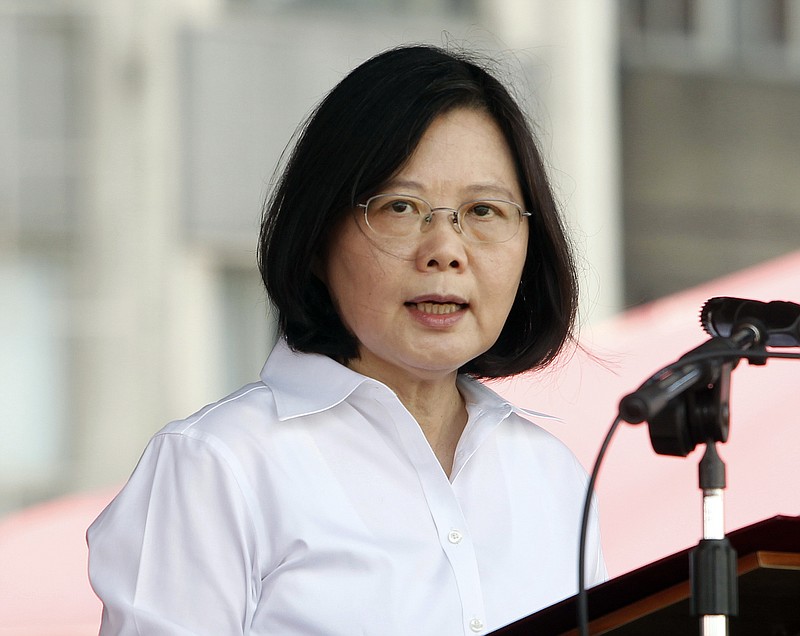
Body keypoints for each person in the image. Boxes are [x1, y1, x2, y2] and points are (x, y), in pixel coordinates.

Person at [87, 44, 606, 635]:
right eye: (401, 207)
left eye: (484, 211)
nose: (445, 250)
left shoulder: (551, 478)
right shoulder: (217, 466)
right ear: (317, 238)